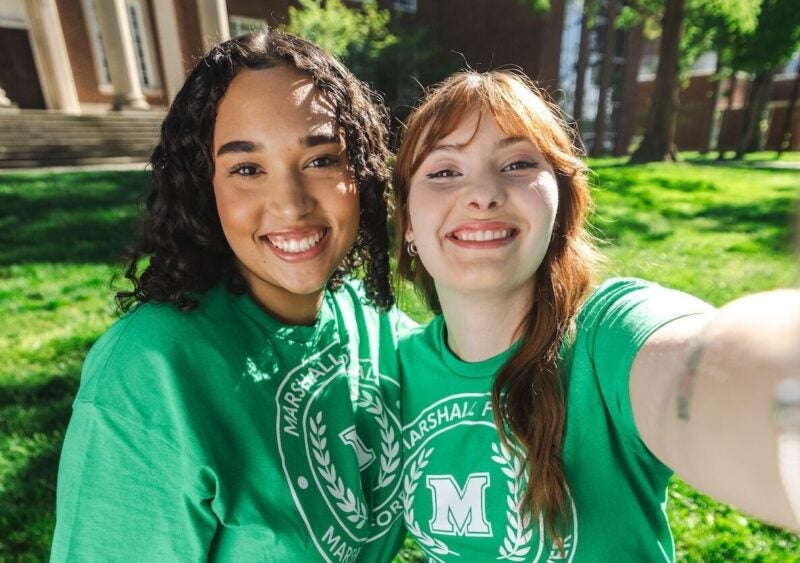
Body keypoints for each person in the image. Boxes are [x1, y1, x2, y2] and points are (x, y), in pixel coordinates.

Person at [392, 69, 800, 561]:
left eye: (518, 163)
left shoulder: (609, 336)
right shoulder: (395, 374)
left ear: (560, 203)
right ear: (409, 220)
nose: (483, 194)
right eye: (444, 171)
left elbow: (709, 363)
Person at [51, 29, 410, 561]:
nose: (289, 205)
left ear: (360, 171)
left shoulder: (374, 324)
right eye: (247, 168)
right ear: (203, 186)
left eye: (320, 160)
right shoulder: (150, 373)